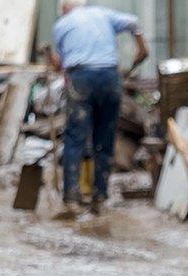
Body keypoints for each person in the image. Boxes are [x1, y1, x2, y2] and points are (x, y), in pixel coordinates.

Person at [51, 0, 148, 217]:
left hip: (81, 78)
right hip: (109, 78)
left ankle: (72, 198)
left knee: (75, 138)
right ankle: (99, 197)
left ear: (65, 9)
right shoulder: (103, 14)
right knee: (104, 138)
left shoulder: (62, 25)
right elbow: (134, 22)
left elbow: (62, 64)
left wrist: (57, 62)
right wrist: (142, 49)